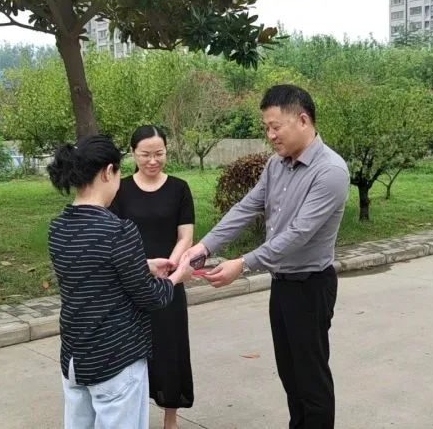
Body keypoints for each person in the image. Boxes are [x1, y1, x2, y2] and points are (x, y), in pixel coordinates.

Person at [181, 85, 350, 429]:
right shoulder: (276, 165)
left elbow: (298, 234)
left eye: (276, 127)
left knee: (311, 378)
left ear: (303, 120)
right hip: (282, 284)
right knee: (290, 374)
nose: (270, 135)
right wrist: (204, 247)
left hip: (311, 286)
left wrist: (243, 264)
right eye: (266, 128)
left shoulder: (330, 171)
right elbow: (247, 207)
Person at [47, 135, 193, 429]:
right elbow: (150, 297)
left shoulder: (58, 228)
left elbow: (93, 271)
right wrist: (178, 275)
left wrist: (143, 266)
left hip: (75, 356)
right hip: (116, 358)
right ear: (108, 172)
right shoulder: (119, 231)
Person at [110, 125, 195, 429]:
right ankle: (133, 416)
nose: (152, 160)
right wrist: (141, 267)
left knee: (171, 347)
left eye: (159, 153)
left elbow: (185, 235)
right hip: (131, 280)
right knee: (131, 351)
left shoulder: (179, 188)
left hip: (169, 280)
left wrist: (170, 267)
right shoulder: (119, 190)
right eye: (145, 154)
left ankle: (170, 418)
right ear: (133, 153)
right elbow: (114, 239)